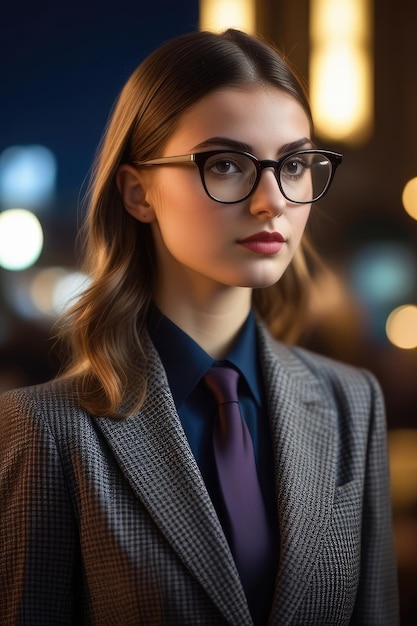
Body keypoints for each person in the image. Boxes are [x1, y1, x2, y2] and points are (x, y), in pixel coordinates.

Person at [0, 28, 398, 625]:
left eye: (294, 164)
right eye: (228, 164)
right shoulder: (48, 433)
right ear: (138, 192)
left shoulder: (351, 403)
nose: (273, 201)